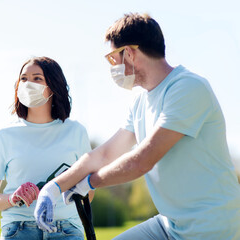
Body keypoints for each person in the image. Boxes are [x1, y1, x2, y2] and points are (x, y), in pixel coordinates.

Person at [34, 13, 240, 240]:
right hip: (170, 223)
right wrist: (53, 188)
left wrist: (91, 182)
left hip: (212, 226)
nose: (112, 66)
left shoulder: (188, 87)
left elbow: (142, 160)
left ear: (130, 53)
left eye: (113, 58)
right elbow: (104, 154)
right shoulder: (140, 102)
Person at [0, 56, 93, 240]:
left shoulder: (76, 131)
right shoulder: (3, 135)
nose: (27, 84)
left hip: (67, 230)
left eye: (37, 78)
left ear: (53, 86)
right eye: (23, 79)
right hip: (18, 230)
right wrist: (12, 199)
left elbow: (89, 191)